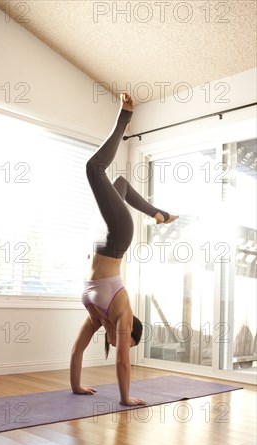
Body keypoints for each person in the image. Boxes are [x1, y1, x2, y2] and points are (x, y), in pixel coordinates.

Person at [70, 93, 178, 406]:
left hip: (100, 238)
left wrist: (76, 387)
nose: (122, 345)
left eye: (123, 345)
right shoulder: (122, 313)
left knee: (120, 183)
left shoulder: (95, 318)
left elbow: (77, 350)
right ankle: (125, 117)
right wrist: (126, 398)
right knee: (94, 168)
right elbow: (122, 363)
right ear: (130, 331)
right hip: (117, 237)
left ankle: (159, 215)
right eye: (127, 342)